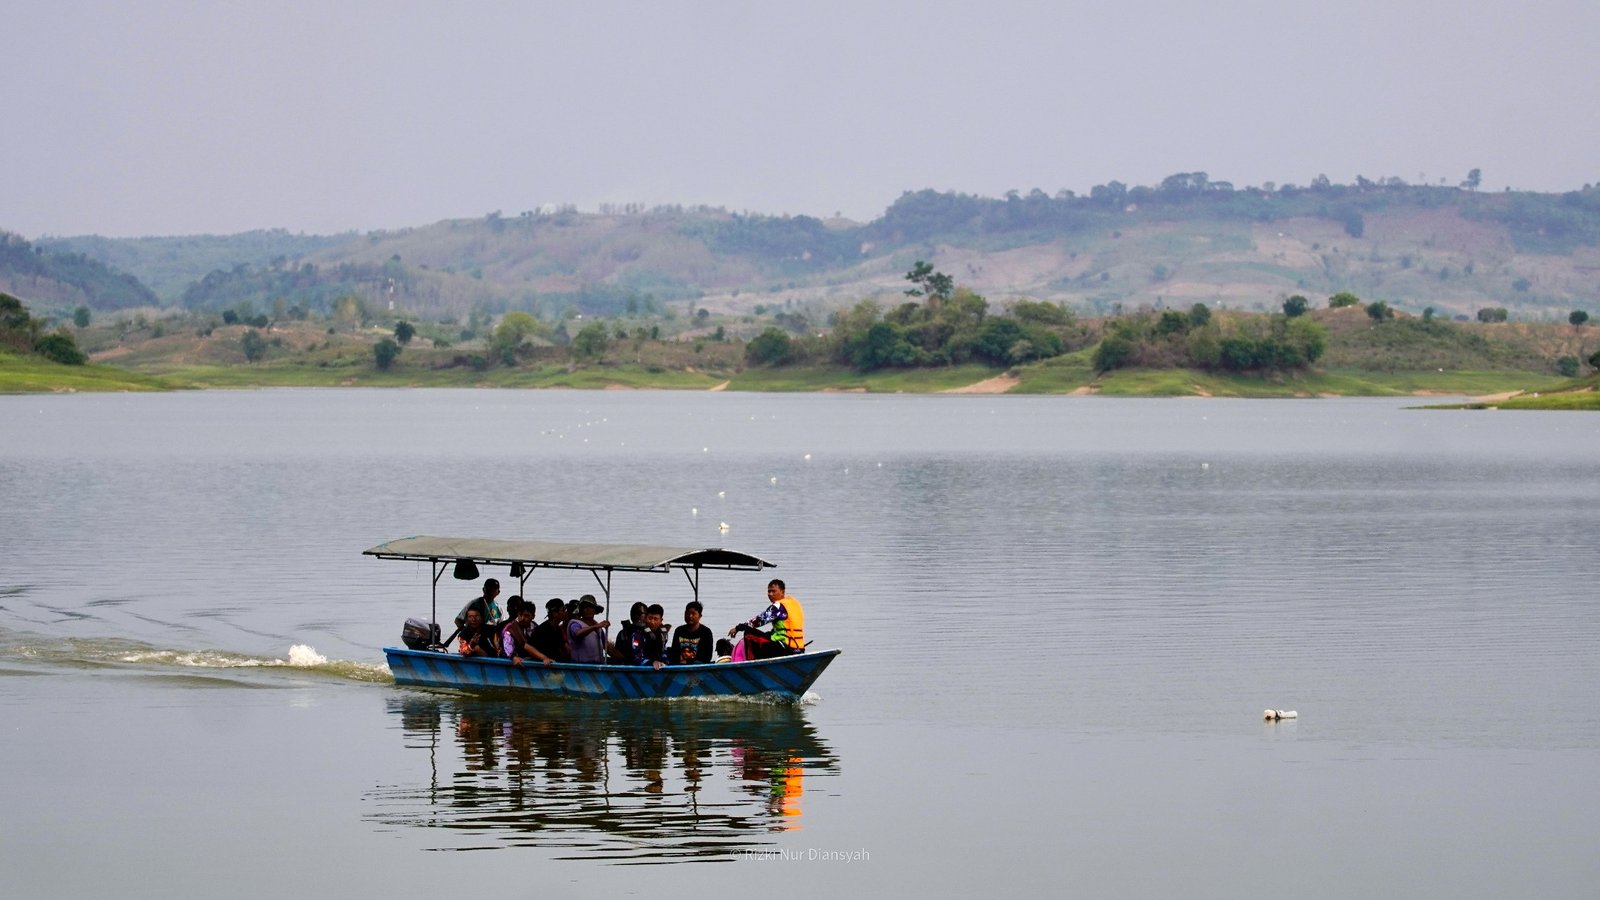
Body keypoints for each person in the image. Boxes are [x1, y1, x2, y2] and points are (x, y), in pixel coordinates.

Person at [728, 578, 805, 660]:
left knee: (748, 632)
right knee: (767, 634)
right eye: (769, 591)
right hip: (799, 648)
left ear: (782, 592)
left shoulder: (778, 606)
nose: (770, 594)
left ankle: (752, 662)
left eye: (774, 591)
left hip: (785, 648)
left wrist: (738, 628)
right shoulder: (794, 604)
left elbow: (758, 621)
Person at [502, 600, 552, 665]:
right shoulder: (510, 628)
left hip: (531, 660)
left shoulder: (535, 627)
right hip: (511, 660)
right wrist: (513, 657)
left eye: (526, 616)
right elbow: (508, 646)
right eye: (520, 615)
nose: (522, 618)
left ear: (533, 616)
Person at [567, 594, 611, 664]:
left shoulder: (599, 629)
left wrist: (624, 659)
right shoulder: (575, 624)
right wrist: (596, 626)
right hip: (580, 667)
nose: (587, 609)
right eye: (584, 607)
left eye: (590, 607)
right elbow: (578, 633)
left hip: (597, 666)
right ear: (581, 610)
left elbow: (608, 648)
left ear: (595, 610)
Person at [624, 603, 670, 669]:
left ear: (661, 621)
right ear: (645, 618)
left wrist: (665, 663)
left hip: (658, 666)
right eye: (650, 618)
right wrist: (652, 663)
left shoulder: (662, 634)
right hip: (639, 668)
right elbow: (636, 658)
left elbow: (663, 653)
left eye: (656, 619)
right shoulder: (637, 635)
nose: (652, 622)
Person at [669, 600, 714, 665]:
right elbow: (674, 652)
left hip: (698, 666)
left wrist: (688, 662)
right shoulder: (679, 630)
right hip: (680, 665)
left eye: (693, 614)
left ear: (700, 616)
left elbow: (707, 656)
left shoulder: (706, 632)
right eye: (687, 613)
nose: (690, 616)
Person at [533, 597, 571, 663]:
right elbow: (528, 646)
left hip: (555, 663)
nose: (565, 613)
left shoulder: (557, 629)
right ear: (554, 613)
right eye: (563, 610)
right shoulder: (542, 629)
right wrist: (544, 658)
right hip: (543, 665)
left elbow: (565, 647)